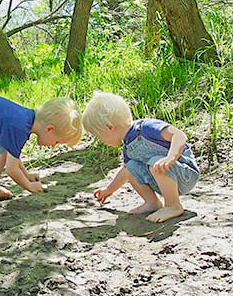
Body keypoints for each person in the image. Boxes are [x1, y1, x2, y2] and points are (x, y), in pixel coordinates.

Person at [82, 91, 199, 222]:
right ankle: (152, 202)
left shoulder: (146, 128)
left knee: (155, 162)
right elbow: (125, 171)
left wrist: (171, 157)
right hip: (163, 178)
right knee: (131, 167)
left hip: (184, 172)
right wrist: (108, 190)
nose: (100, 140)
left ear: (110, 127)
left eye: (98, 135)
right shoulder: (127, 146)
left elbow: (179, 135)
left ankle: (173, 205)